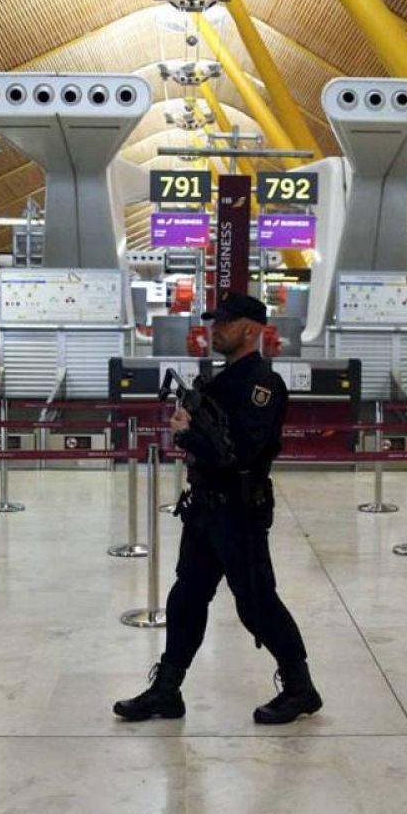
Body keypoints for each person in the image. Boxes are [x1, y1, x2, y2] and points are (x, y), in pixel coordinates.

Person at [114, 292, 321, 725]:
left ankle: (301, 688)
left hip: (239, 512)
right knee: (187, 595)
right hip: (205, 508)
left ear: (250, 329)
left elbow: (242, 451)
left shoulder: (262, 385)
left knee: (256, 602)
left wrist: (187, 436)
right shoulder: (220, 381)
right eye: (214, 321)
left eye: (224, 322)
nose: (214, 329)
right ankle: (167, 690)